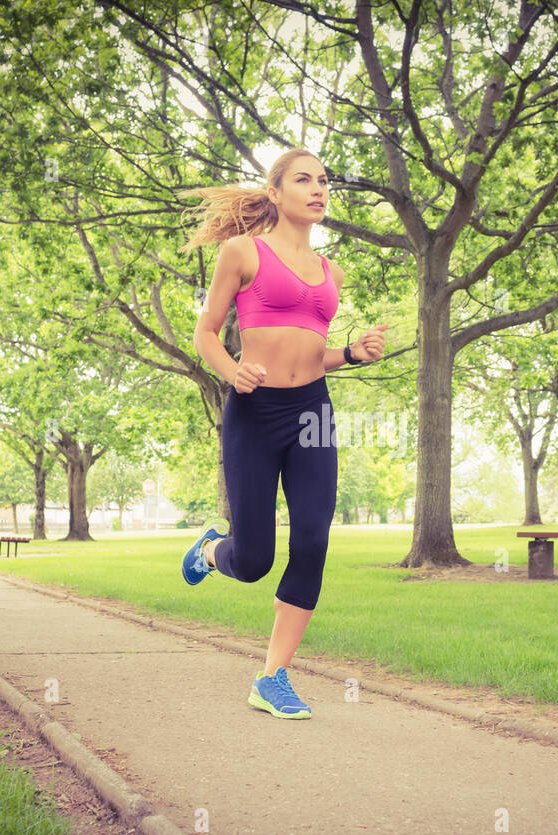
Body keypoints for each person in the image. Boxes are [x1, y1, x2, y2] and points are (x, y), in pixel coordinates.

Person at [176, 149, 389, 720]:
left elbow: (313, 354)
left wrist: (352, 353)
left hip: (312, 412)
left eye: (324, 181)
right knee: (252, 561)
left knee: (314, 541)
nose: (318, 189)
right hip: (255, 410)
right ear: (275, 192)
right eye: (303, 180)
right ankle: (211, 549)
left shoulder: (331, 273)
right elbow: (206, 332)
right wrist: (232, 372)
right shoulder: (243, 252)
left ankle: (272, 676)